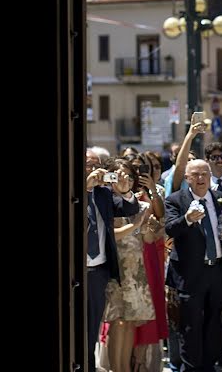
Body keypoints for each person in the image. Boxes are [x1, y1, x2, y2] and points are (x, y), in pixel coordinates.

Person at [164, 159, 222, 372]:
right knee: (190, 327)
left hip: (217, 272)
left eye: (204, 174)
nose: (200, 179)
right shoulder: (176, 200)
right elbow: (170, 229)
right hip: (190, 275)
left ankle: (208, 366)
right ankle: (190, 367)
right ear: (187, 178)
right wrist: (187, 219)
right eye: (195, 175)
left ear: (210, 177)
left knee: (215, 325)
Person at [85, 149, 139, 372]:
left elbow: (128, 208)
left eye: (98, 166)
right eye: (89, 165)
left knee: (91, 332)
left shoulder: (104, 193)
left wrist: (126, 193)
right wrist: (85, 187)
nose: (94, 170)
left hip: (98, 271)